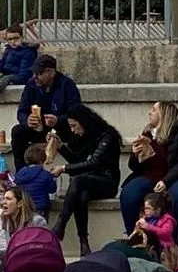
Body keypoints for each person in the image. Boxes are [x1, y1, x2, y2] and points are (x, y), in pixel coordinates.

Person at [48, 104, 121, 256]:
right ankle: (83, 242)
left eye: (74, 125)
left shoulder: (107, 137)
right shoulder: (87, 137)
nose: (73, 130)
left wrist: (63, 168)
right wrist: (61, 147)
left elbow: (94, 162)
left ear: (83, 122)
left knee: (78, 180)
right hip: (88, 181)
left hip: (107, 181)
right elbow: (78, 162)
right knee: (81, 195)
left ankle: (62, 223)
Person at [119, 102, 178, 244]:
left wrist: (165, 181)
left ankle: (172, 240)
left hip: (173, 177)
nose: (150, 112)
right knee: (129, 193)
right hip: (148, 176)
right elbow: (133, 167)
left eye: (154, 110)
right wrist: (135, 155)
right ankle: (134, 236)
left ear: (164, 114)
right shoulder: (146, 134)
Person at [11, 54, 81, 171]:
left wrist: (58, 120)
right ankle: (22, 172)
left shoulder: (67, 85)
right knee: (17, 131)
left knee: (76, 134)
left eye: (38, 73)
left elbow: (77, 112)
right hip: (38, 128)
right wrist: (27, 120)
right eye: (34, 73)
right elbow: (22, 110)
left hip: (62, 128)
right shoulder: (31, 85)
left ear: (51, 73)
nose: (35, 77)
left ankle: (75, 169)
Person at [13, 143, 57, 221]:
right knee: (40, 226)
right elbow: (52, 189)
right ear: (41, 161)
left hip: (25, 206)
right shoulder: (45, 175)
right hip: (41, 207)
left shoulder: (20, 174)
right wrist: (52, 177)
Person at [0, 187, 47, 256]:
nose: (3, 202)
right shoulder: (6, 221)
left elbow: (42, 248)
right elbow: (8, 250)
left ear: (20, 203)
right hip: (14, 260)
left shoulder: (37, 221)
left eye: (8, 199)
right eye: (3, 199)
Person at [0, 24, 38, 91]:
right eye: (10, 39)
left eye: (16, 38)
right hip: (6, 79)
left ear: (21, 37)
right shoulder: (9, 49)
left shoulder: (28, 52)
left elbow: (24, 75)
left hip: (17, 82)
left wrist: (9, 79)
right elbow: (2, 65)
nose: (13, 41)